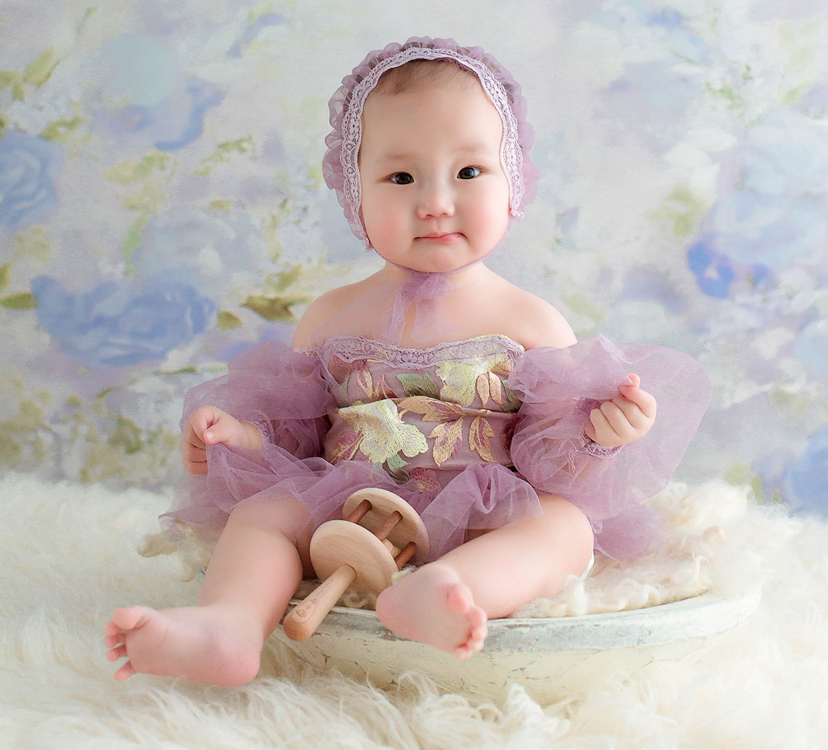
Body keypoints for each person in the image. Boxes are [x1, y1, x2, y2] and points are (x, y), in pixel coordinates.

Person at [104, 36, 711, 684]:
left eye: (468, 172)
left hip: (482, 515)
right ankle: (228, 625)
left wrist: (598, 432)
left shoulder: (530, 322)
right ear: (355, 194)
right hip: (349, 507)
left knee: (564, 527)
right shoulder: (333, 315)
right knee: (262, 517)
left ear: (512, 181)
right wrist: (242, 438)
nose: (436, 202)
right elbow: (299, 433)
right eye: (401, 178)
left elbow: (549, 460)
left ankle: (448, 589)